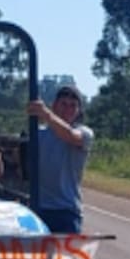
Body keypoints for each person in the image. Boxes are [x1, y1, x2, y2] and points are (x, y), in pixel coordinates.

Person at [26, 85, 93, 233]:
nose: (67, 109)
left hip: (66, 210)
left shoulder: (84, 133)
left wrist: (46, 115)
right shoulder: (38, 134)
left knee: (65, 256)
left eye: (73, 106)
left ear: (78, 111)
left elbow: (70, 136)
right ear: (54, 105)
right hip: (38, 207)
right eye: (63, 104)